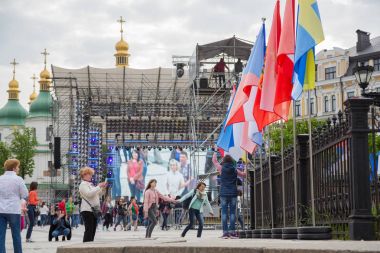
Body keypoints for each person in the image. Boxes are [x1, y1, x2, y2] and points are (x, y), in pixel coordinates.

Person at [212, 152, 246, 239]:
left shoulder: (221, 168)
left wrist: (215, 151)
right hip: (233, 193)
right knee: (232, 213)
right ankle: (232, 232)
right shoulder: (235, 169)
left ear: (224, 161)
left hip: (223, 193)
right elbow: (244, 175)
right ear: (231, 161)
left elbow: (214, 161)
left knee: (223, 213)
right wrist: (245, 166)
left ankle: (225, 233)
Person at [0, 159, 28, 253]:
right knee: (16, 235)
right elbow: (24, 194)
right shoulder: (18, 179)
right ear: (14, 168)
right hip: (13, 210)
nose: (18, 168)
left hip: (1, 209)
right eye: (18, 167)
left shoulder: (0, 178)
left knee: (0, 236)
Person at [78, 167, 107, 242]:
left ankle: (90, 245)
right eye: (89, 174)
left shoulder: (90, 184)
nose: (91, 176)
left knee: (93, 230)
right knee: (89, 229)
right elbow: (89, 194)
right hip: (87, 210)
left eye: (91, 174)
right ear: (84, 175)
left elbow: (97, 194)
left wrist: (103, 189)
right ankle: (86, 247)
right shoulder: (83, 184)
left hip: (93, 210)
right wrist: (98, 186)